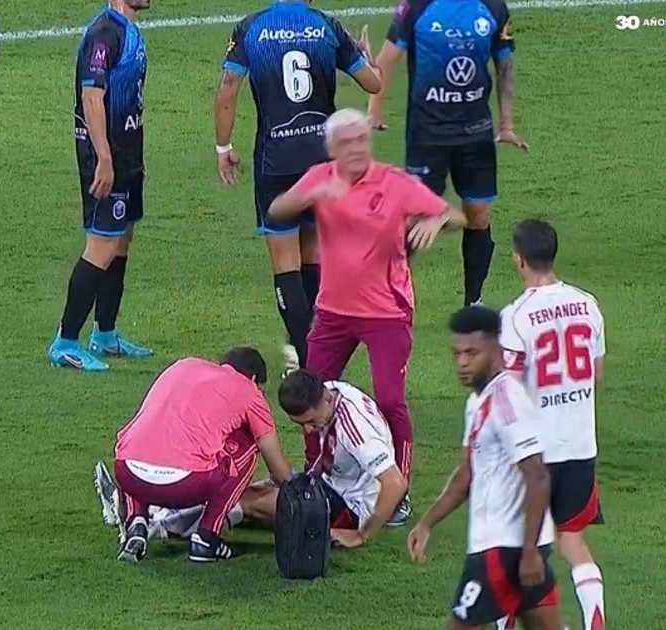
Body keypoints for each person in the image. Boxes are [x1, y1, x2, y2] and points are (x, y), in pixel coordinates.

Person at [268, 108, 465, 526]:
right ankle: (319, 473)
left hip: (386, 313)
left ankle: (399, 490)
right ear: (331, 148)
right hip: (333, 312)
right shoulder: (321, 177)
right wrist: (306, 197)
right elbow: (277, 210)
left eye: (362, 139)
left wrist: (438, 218)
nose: (357, 148)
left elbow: (458, 215)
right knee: (310, 393)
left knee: (390, 400)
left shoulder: (394, 182)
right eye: (347, 142)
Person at [214, 0, 383, 375]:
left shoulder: (251, 28)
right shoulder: (327, 27)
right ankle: (316, 357)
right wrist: (367, 57)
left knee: (285, 264)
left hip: (277, 160)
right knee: (314, 257)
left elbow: (228, 87)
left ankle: (307, 363)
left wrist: (223, 148)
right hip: (323, 162)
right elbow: (373, 83)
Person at [117, 370, 408, 546]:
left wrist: (361, 535)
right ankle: (159, 517)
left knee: (246, 501)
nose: (308, 430)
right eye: (301, 424)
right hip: (329, 485)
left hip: (350, 508)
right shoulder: (330, 393)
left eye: (310, 422)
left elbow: (395, 483)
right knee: (248, 491)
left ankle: (159, 526)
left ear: (327, 400)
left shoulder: (356, 429)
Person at [407, 305, 562, 630]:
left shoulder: (507, 401)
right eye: (457, 354)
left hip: (503, 549)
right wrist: (426, 523)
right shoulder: (477, 402)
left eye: (472, 353)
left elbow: (537, 476)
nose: (462, 362)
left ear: (496, 351)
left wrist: (529, 551)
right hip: (513, 547)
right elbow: (466, 474)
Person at [368, 0, 529, 307]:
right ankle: (388, 295)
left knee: (478, 215)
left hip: (476, 133)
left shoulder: (493, 7)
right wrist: (374, 108)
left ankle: (473, 301)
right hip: (427, 134)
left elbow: (505, 65)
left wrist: (506, 124)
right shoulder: (416, 6)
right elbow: (387, 58)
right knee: (413, 218)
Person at [495, 219, 607, 630]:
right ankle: (595, 622)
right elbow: (595, 375)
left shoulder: (516, 316)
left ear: (519, 259)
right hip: (579, 445)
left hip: (534, 454)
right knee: (573, 541)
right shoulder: (588, 305)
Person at [110, 347, 295, 563]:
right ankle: (207, 537)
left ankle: (137, 522)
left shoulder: (182, 366)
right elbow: (279, 470)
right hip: (188, 482)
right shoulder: (248, 390)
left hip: (127, 472)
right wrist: (291, 483)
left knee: (142, 441)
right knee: (251, 442)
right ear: (254, 379)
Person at [48, 0, 154, 372]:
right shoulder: (103, 34)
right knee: (102, 244)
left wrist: (134, 159)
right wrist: (104, 158)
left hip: (126, 156)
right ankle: (65, 342)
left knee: (121, 238)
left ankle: (105, 334)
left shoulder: (127, 30)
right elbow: (91, 98)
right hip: (105, 156)